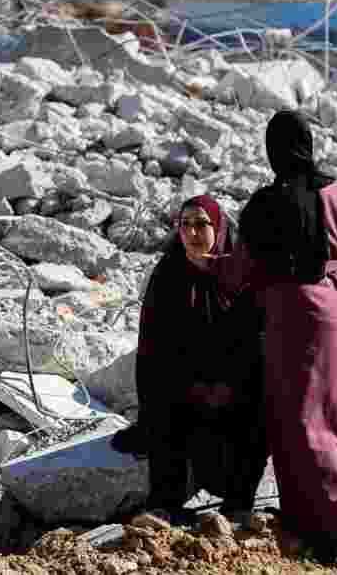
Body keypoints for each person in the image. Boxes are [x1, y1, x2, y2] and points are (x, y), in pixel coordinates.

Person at [219, 109, 337, 565]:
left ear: (272, 151)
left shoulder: (263, 206)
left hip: (291, 317)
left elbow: (237, 274)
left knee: (303, 422)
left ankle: (323, 527)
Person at [111, 194, 268, 525]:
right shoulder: (168, 274)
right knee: (162, 405)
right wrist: (189, 386)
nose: (193, 233)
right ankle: (165, 504)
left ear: (219, 227)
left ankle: (240, 503)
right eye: (185, 225)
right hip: (185, 391)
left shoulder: (241, 273)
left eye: (201, 224)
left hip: (235, 390)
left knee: (261, 409)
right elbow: (153, 350)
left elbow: (257, 341)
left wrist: (229, 384)